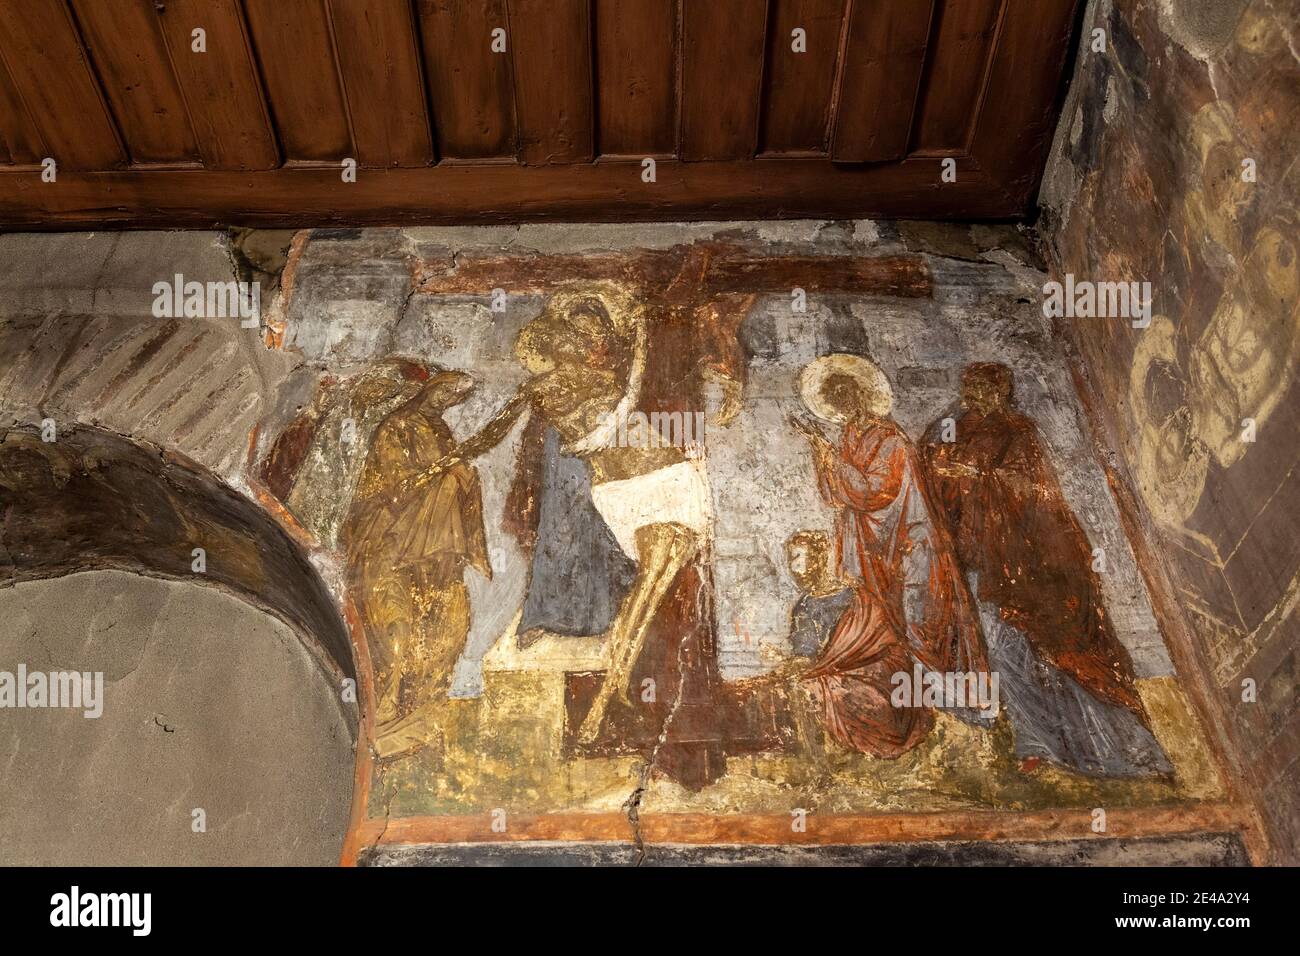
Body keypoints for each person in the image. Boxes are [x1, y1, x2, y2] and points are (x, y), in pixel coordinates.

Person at [922, 363, 1171, 777]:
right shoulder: (956, 429)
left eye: (988, 389)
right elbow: (939, 483)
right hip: (983, 569)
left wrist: (977, 475)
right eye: (973, 390)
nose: (980, 397)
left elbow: (1031, 490)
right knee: (1006, 658)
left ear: (1002, 392)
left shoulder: (1017, 432)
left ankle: (1125, 752)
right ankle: (1035, 742)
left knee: (1058, 656)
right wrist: (944, 470)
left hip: (1030, 568)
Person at [791, 354, 990, 758]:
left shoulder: (890, 439)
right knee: (887, 634)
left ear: (862, 395)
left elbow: (872, 492)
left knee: (921, 630)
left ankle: (963, 718)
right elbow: (836, 495)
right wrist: (821, 451)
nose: (841, 403)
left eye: (845, 393)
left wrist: (826, 453)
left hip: (911, 550)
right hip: (872, 555)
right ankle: (910, 720)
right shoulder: (848, 440)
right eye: (833, 397)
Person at [340, 362, 491, 760]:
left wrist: (460, 473)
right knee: (396, 629)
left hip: (436, 550)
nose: (448, 402)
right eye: (444, 392)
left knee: (448, 630)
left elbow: (453, 484)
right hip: (388, 545)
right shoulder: (397, 426)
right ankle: (384, 716)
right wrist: (444, 469)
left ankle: (420, 716)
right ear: (426, 389)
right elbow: (397, 486)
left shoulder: (441, 432)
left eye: (456, 398)